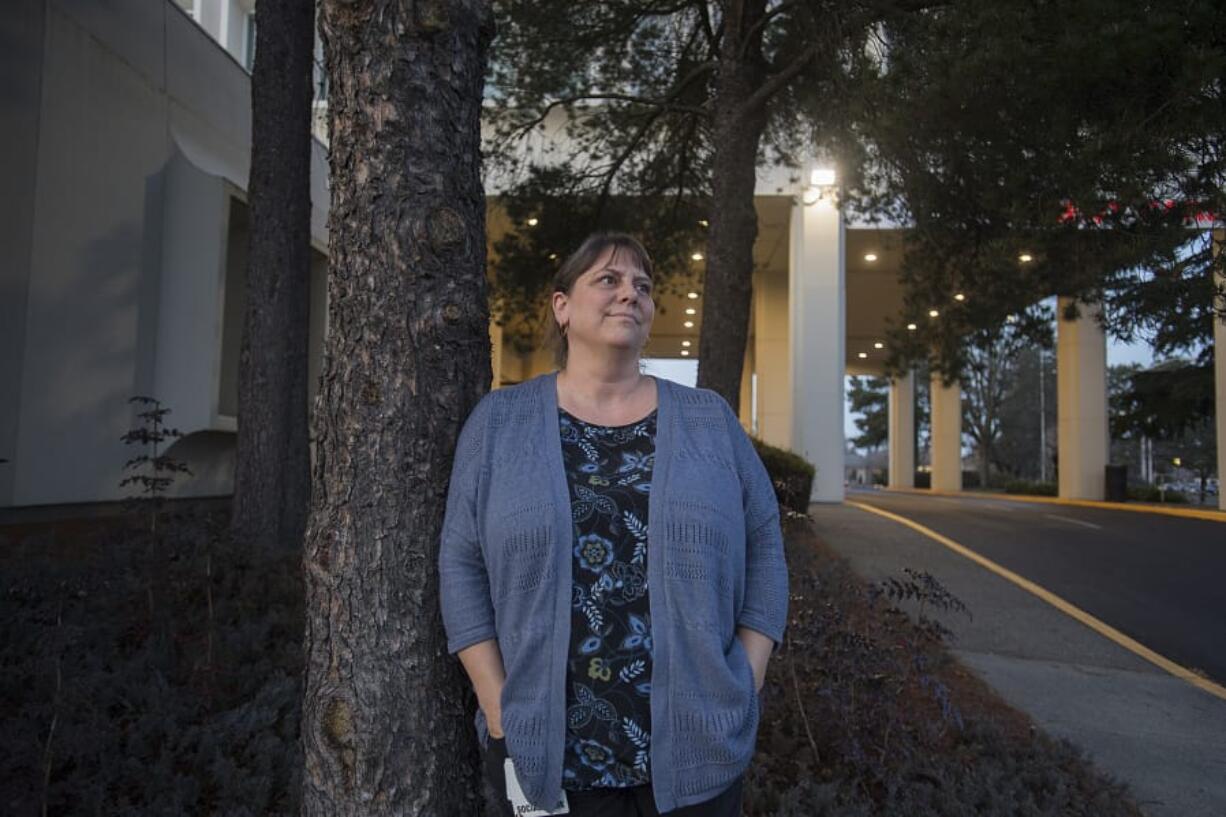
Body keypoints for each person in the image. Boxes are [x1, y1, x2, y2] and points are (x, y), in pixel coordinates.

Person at [439, 232, 789, 816]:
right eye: (609, 280)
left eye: (643, 287)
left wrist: (746, 678)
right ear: (562, 307)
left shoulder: (708, 422)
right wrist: (496, 702)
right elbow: (460, 561)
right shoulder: (500, 424)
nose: (630, 294)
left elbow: (765, 544)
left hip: (698, 760)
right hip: (544, 761)